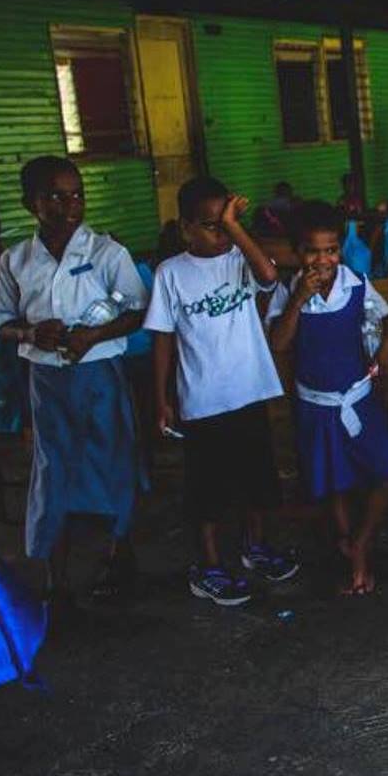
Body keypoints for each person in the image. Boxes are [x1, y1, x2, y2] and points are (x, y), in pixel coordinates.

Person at [0, 156, 148, 615]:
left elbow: (137, 310)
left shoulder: (105, 252)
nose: (68, 205)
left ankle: (121, 554)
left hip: (100, 374)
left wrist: (93, 335)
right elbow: (1, 320)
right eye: (54, 196)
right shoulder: (15, 259)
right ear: (29, 203)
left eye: (76, 194)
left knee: (113, 456)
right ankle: (55, 577)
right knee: (53, 468)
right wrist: (30, 333)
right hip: (47, 379)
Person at [144, 177, 299, 606]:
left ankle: (255, 546)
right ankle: (208, 566)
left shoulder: (239, 259)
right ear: (184, 227)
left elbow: (269, 276)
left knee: (257, 479)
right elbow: (162, 338)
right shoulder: (170, 273)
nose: (219, 233)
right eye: (210, 225)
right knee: (207, 489)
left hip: (248, 389)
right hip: (203, 399)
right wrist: (162, 398)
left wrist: (235, 229)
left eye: (225, 223)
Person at [267, 203, 388, 597]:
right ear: (298, 253)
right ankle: (355, 559)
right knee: (335, 485)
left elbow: (387, 319)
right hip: (316, 405)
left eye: (331, 250)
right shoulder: (289, 291)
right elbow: (278, 343)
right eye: (313, 251)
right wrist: (297, 300)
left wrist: (387, 346)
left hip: (358, 400)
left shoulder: (357, 283)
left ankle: (361, 539)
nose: (323, 259)